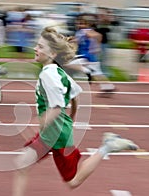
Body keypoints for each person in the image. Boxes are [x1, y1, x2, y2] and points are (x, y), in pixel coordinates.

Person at [12, 27, 139, 196]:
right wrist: (72, 116)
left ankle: (107, 147)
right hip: (52, 132)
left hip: (57, 136)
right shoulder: (58, 72)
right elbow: (75, 94)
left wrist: (39, 122)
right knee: (21, 164)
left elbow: (57, 107)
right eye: (37, 45)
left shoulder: (48, 74)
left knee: (73, 181)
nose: (36, 49)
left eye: (41, 47)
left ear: (53, 54)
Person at [65, 14, 115, 93]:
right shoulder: (80, 32)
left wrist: (97, 46)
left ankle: (87, 71)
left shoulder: (86, 31)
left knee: (68, 64)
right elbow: (78, 40)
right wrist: (70, 40)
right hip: (91, 57)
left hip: (85, 55)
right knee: (97, 73)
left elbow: (98, 35)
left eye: (82, 23)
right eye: (78, 23)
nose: (79, 25)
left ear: (87, 24)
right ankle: (108, 87)